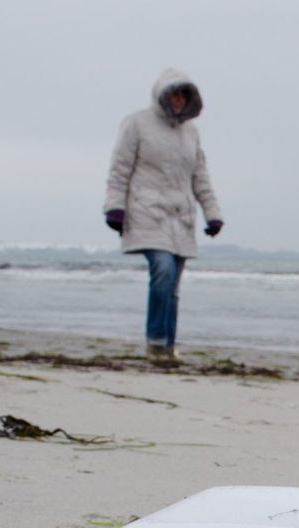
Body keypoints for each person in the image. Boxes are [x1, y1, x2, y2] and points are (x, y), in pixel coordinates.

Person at [103, 68, 223, 363]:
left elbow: (200, 177)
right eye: (174, 94)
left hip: (181, 217)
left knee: (173, 285)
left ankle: (168, 345)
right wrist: (114, 207)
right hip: (147, 212)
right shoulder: (137, 124)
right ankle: (155, 341)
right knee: (163, 271)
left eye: (184, 95)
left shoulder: (191, 133)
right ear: (163, 95)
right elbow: (120, 168)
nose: (179, 100)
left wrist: (213, 214)